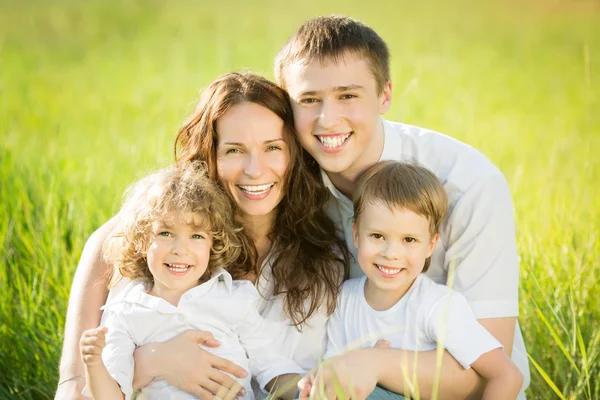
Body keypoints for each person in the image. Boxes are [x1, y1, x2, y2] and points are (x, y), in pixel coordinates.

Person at [273, 15, 530, 399]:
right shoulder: (285, 183)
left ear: (385, 96)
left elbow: (491, 372)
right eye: (309, 100)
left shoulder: (468, 184)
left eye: (348, 95)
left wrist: (373, 362)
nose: (327, 120)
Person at [55, 73, 349, 400]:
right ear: (209, 155)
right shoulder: (148, 248)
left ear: (294, 153)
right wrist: (153, 360)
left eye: (273, 148)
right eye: (234, 150)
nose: (255, 169)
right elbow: (75, 391)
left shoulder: (329, 249)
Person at [79, 162, 305, 400]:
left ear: (213, 244)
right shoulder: (126, 311)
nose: (180, 249)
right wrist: (93, 364)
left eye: (196, 236)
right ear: (142, 241)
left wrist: (312, 391)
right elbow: (112, 396)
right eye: (165, 233)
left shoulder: (232, 298)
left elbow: (271, 367)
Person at [315, 161, 523, 400]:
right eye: (377, 236)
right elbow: (333, 375)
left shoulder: (437, 305)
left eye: (409, 240)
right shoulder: (345, 299)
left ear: (430, 245)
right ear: (356, 234)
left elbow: (507, 375)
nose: (391, 253)